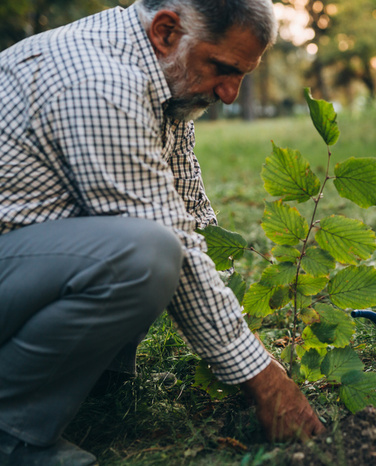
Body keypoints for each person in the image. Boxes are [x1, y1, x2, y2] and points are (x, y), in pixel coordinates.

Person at [0, 0, 324, 463]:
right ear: (167, 30)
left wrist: (244, 323)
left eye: (243, 75)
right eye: (223, 67)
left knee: (154, 244)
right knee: (145, 254)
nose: (231, 93)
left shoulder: (164, 85)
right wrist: (265, 380)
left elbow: (190, 214)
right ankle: (11, 433)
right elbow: (169, 237)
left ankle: (82, 381)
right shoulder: (101, 82)